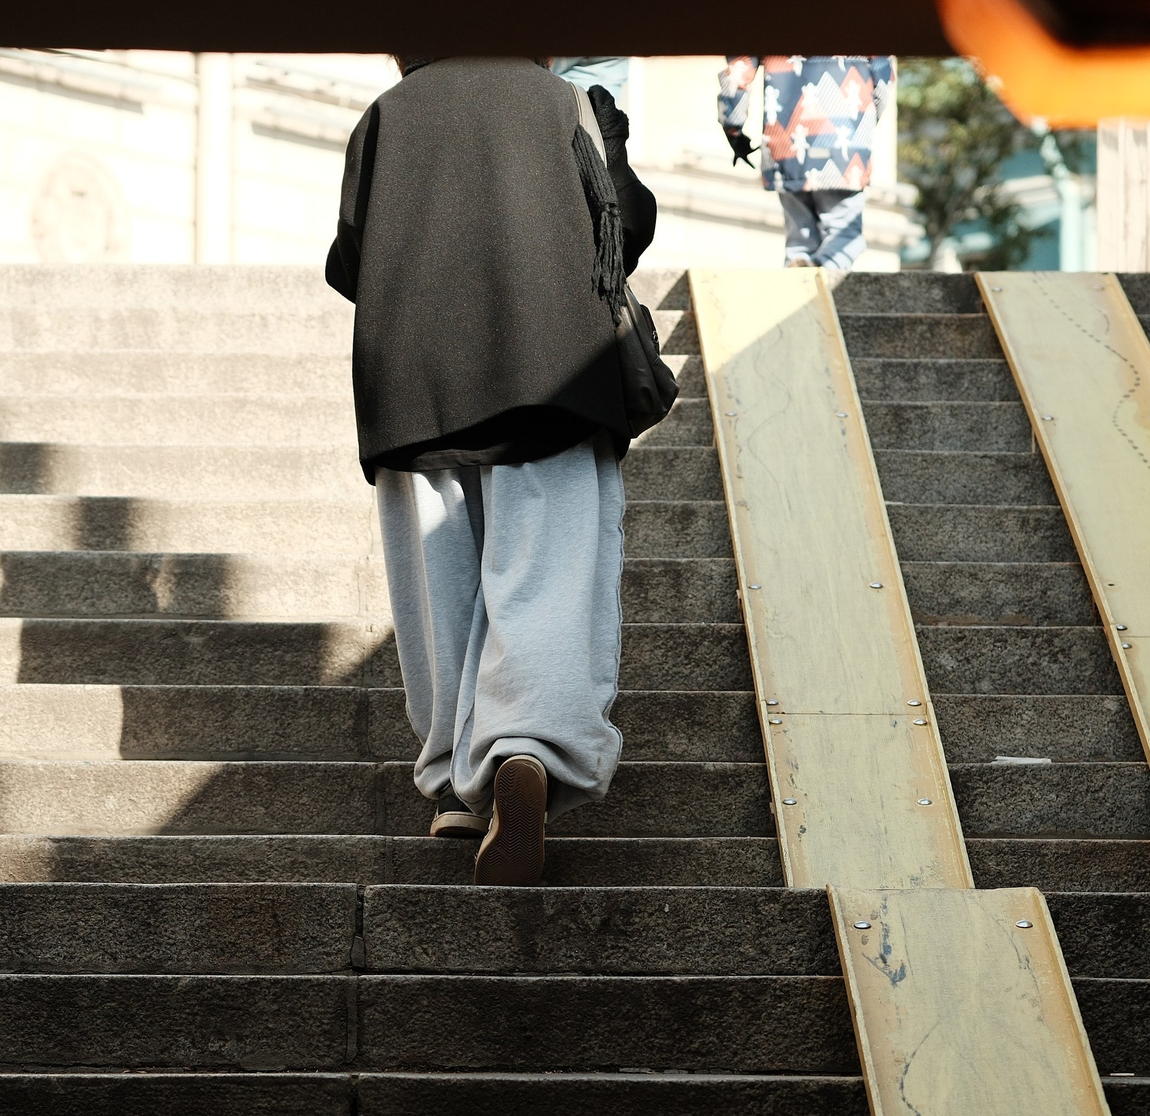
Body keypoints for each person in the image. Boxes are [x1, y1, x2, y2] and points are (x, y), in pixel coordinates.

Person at [325, 58, 659, 885]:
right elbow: (629, 223)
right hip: (555, 371)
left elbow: (349, 258)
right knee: (542, 568)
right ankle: (525, 747)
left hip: (414, 383)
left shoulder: (389, 109)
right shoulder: (570, 100)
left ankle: (454, 784)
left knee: (439, 582)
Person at [718, 55, 895, 270]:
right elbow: (883, 82)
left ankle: (801, 277)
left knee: (799, 243)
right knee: (846, 237)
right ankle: (820, 274)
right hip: (844, 151)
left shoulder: (765, 20)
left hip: (785, 146)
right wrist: (862, 123)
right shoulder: (864, 21)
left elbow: (737, 72)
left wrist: (734, 129)